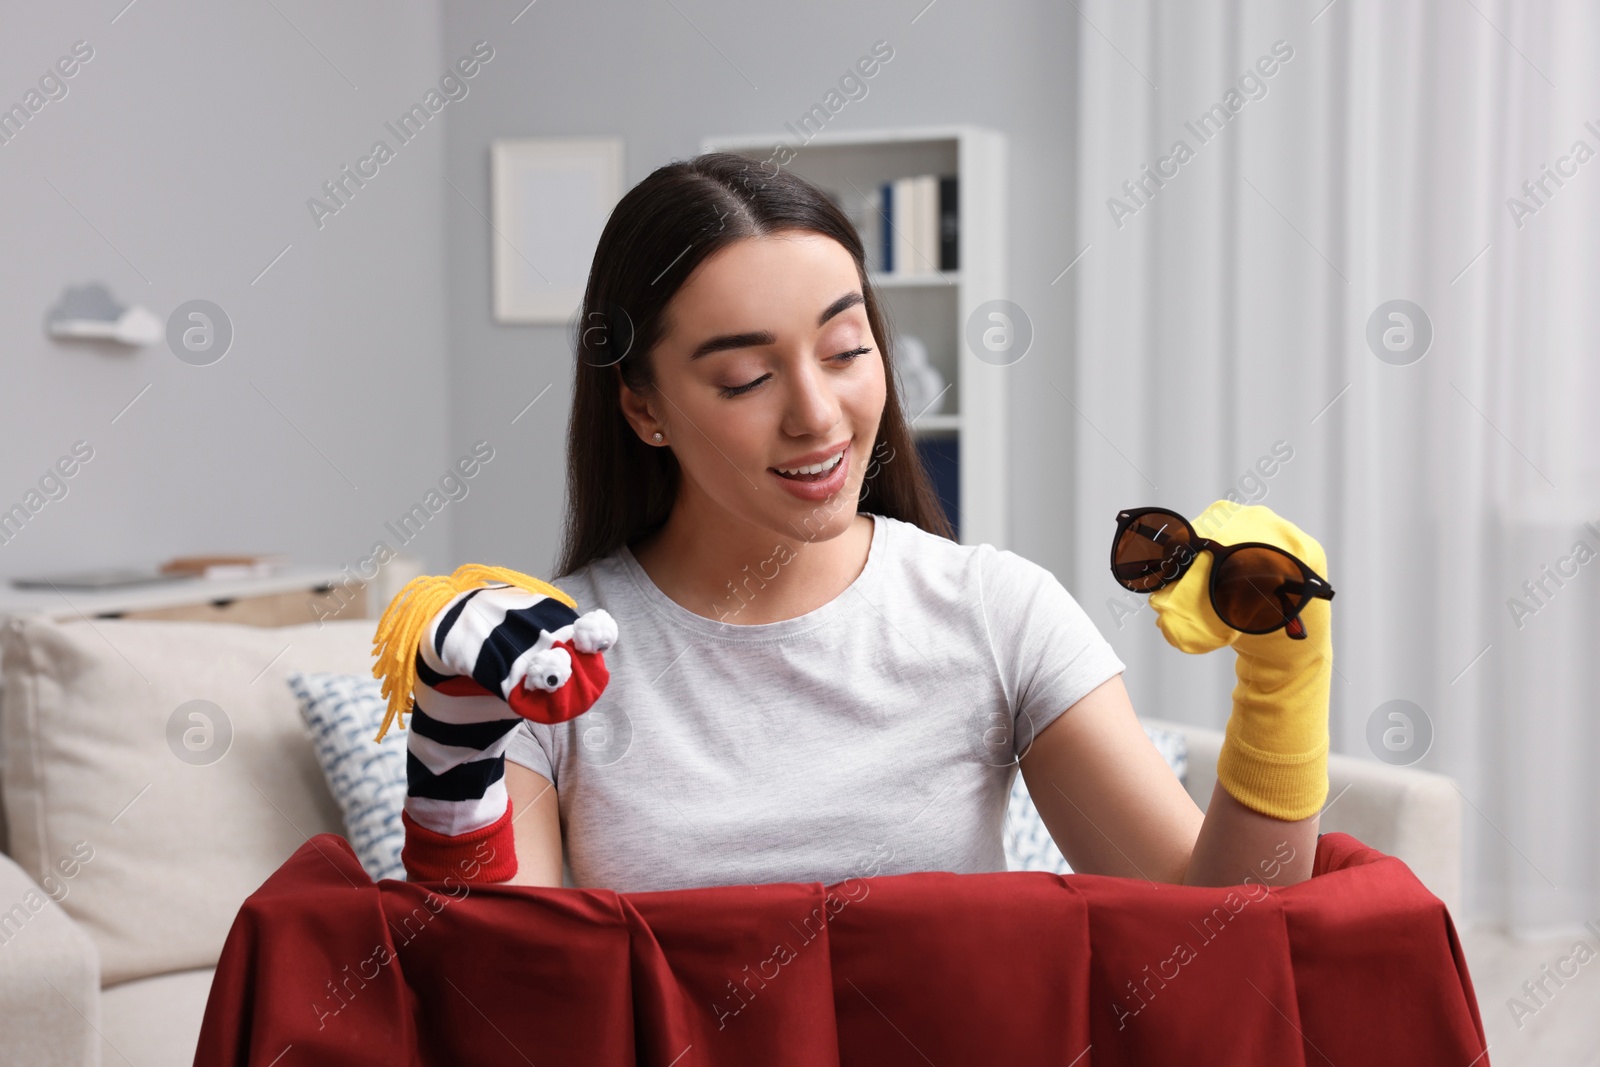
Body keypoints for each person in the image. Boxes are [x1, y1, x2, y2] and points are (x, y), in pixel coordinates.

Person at [501, 152, 1322, 892]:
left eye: (846, 349)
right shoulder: (542, 659)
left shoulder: (994, 612)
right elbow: (517, 989)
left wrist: (1285, 682)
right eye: (748, 377)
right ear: (645, 408)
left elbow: (1221, 922)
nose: (818, 416)